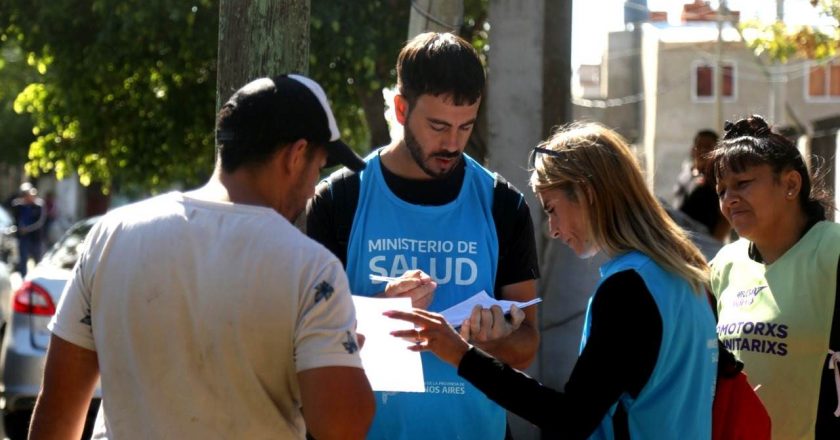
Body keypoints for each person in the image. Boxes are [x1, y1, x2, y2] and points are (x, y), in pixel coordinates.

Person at [29, 74, 375, 439]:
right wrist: (343, 358)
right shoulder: (312, 270)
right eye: (318, 168)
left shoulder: (111, 234)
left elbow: (57, 407)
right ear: (296, 154)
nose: (311, 189)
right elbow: (342, 426)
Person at [386, 122, 718, 439]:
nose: (553, 230)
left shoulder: (627, 291)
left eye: (551, 209)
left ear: (587, 193)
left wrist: (462, 355)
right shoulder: (690, 276)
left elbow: (570, 418)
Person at [305, 32, 540, 439]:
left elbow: (527, 346)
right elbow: (306, 341)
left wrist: (494, 341)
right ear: (400, 108)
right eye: (438, 126)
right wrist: (378, 310)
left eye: (466, 127)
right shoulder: (339, 199)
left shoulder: (503, 204)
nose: (452, 143)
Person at [708, 115, 840, 439]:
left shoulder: (833, 251)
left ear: (791, 185)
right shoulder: (724, 264)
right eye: (722, 190)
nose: (729, 199)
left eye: (743, 184)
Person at [674, 130, 731, 242]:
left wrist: (714, 244)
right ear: (693, 150)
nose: (703, 151)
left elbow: (725, 219)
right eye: (700, 146)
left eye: (708, 147)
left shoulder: (720, 180)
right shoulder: (685, 176)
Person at [10, 182, 46, 277]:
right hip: (23, 238)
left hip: (35, 238)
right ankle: (24, 279)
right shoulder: (19, 206)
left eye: (28, 195)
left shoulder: (39, 206)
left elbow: (40, 222)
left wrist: (27, 229)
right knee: (23, 260)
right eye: (25, 195)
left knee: (37, 260)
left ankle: (38, 278)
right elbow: (14, 210)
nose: (27, 197)